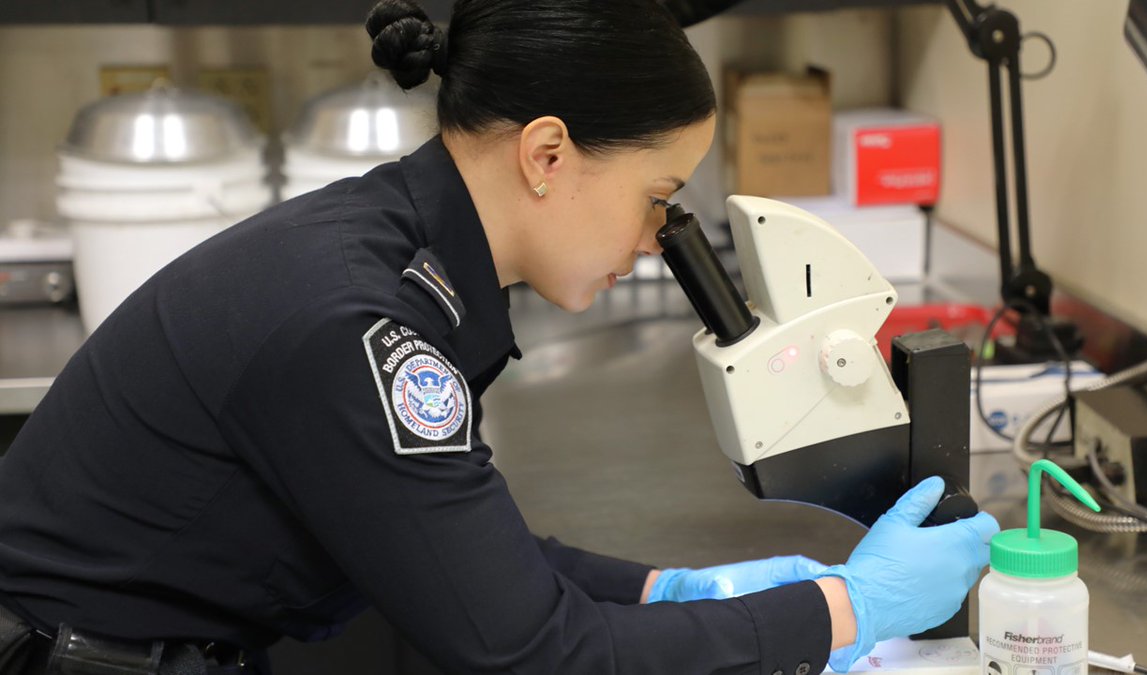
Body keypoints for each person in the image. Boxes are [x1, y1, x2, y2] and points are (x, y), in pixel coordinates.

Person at [0, 1, 999, 674]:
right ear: (548, 154)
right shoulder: (364, 326)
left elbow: (457, 552)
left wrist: (668, 589)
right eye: (655, 199)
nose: (658, 241)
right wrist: (842, 614)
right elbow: (531, 651)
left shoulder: (401, 246)